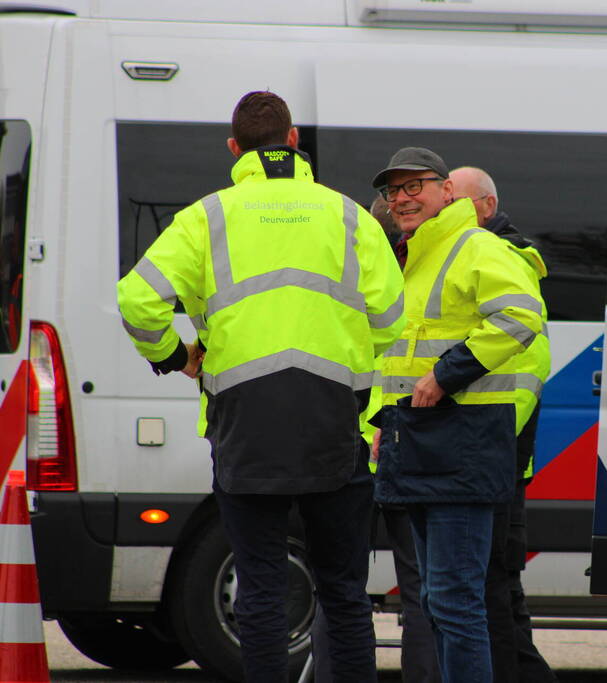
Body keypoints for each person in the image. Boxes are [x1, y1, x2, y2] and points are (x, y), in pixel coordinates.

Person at [117, 91, 405, 683]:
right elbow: (392, 319)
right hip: (334, 422)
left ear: (234, 148)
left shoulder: (206, 217)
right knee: (345, 594)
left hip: (244, 425)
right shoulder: (349, 215)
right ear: (294, 139)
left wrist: (176, 355)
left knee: (262, 590)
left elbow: (136, 299)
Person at [371, 147, 547, 683]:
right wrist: (384, 424)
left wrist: (447, 376)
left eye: (414, 186)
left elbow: (522, 315)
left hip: (462, 447)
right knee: (439, 601)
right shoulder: (415, 256)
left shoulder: (473, 244)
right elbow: (401, 358)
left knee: (454, 603)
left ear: (447, 191)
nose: (401, 199)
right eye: (393, 190)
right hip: (422, 444)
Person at [310, 198, 441, 683]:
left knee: (339, 587)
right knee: (420, 589)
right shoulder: (422, 280)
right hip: (405, 444)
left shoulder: (335, 283)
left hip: (347, 446)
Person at [450, 166, 557, 683]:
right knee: (498, 595)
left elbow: (524, 372)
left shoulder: (499, 261)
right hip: (494, 452)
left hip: (493, 453)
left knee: (492, 595)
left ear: (486, 208)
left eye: (457, 200)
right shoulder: (490, 256)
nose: (446, 210)